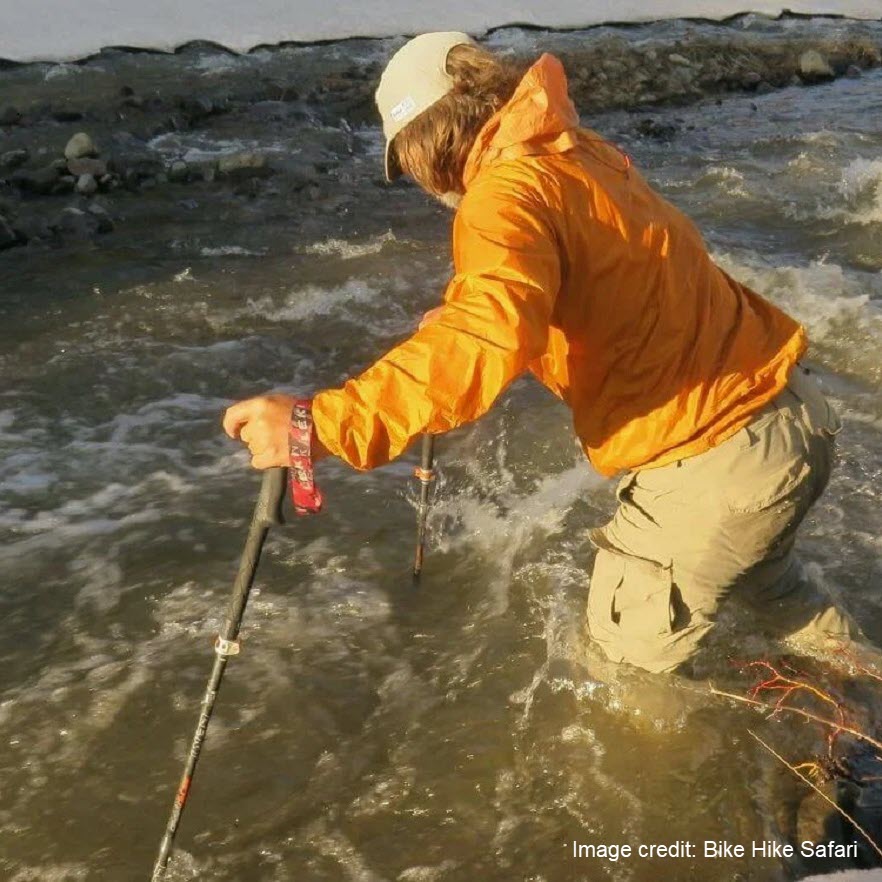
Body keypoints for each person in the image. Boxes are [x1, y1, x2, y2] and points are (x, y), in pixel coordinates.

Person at [222, 32, 864, 676]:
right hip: (790, 419)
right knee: (778, 601)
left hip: (713, 456)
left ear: (423, 142)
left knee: (618, 679)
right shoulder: (575, 152)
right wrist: (479, 308)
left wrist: (317, 424)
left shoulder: (503, 195)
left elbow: (485, 338)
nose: (416, 183)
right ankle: (859, 706)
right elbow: (599, 276)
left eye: (406, 164)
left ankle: (812, 759)